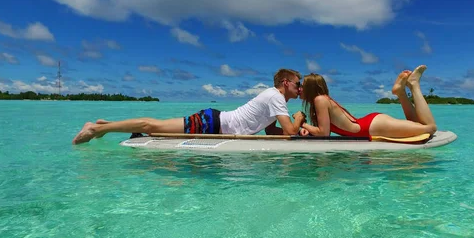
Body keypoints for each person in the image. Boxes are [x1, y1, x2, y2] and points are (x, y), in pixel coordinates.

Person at [71, 68, 306, 144]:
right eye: (298, 84)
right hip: (213, 124)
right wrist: (300, 120)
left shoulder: (277, 99)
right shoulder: (275, 96)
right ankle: (96, 128)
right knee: (152, 127)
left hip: (215, 124)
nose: (301, 88)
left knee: (155, 129)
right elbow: (289, 132)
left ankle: (106, 125)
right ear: (285, 83)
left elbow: (271, 130)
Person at [298, 65, 437, 138]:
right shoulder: (321, 100)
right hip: (370, 124)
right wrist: (307, 129)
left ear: (310, 88)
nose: (299, 89)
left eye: (302, 86)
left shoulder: (320, 99)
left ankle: (414, 85)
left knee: (430, 128)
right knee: (418, 125)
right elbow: (324, 131)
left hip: (373, 127)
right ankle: (400, 93)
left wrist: (301, 123)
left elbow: (323, 133)